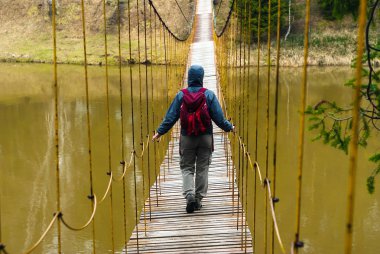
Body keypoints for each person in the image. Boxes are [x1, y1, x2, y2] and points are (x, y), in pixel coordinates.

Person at [152, 65, 234, 213]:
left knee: (187, 168)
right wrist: (229, 127)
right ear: (201, 78)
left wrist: (159, 132)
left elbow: (171, 117)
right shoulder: (209, 95)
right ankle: (198, 199)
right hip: (205, 138)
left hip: (187, 138)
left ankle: (189, 195)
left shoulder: (181, 95)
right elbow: (219, 118)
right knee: (203, 168)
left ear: (189, 78)